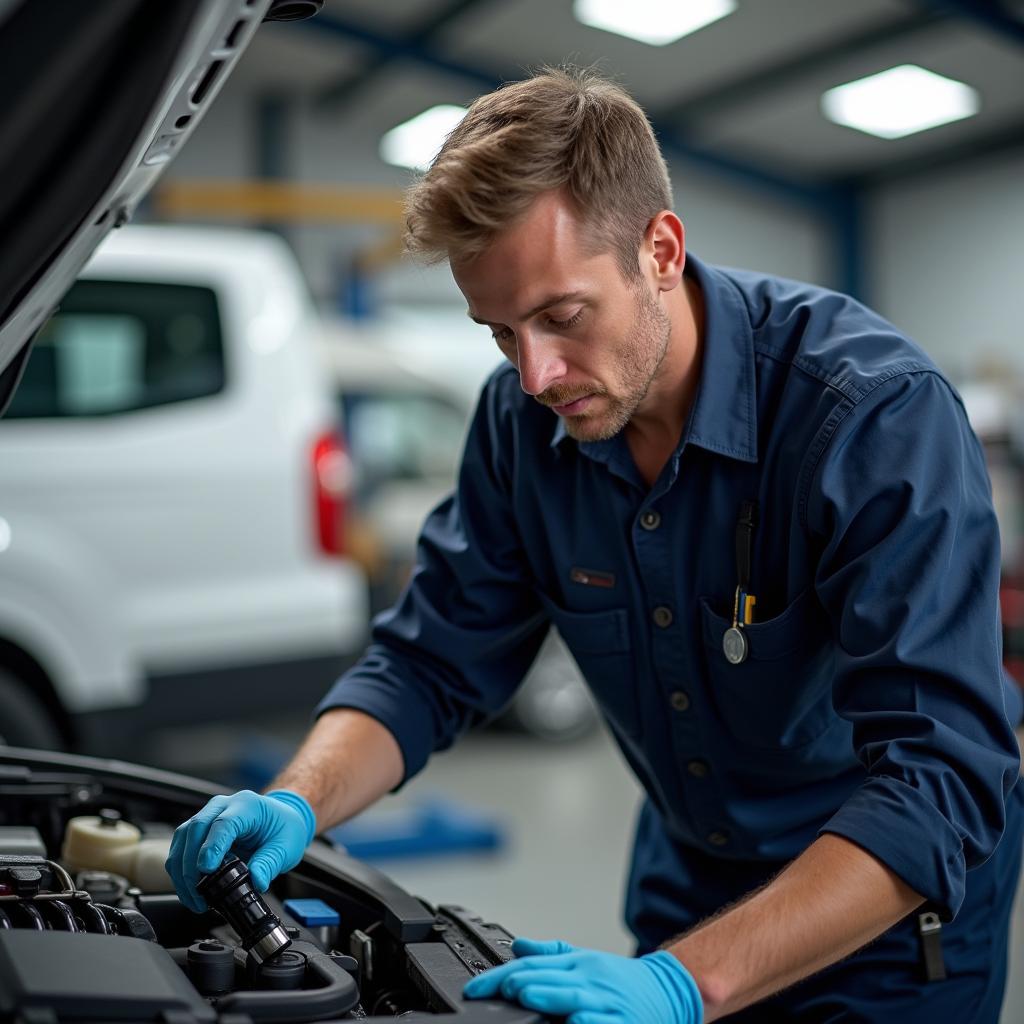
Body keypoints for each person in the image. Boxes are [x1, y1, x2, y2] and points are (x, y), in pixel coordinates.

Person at [166, 67, 1024, 1022]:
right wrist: (295, 801)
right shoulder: (522, 423)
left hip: (886, 930)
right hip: (690, 891)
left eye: (562, 317)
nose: (536, 374)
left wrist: (683, 983)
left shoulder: (870, 418)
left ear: (659, 249)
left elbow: (942, 777)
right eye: (499, 332)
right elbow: (428, 663)